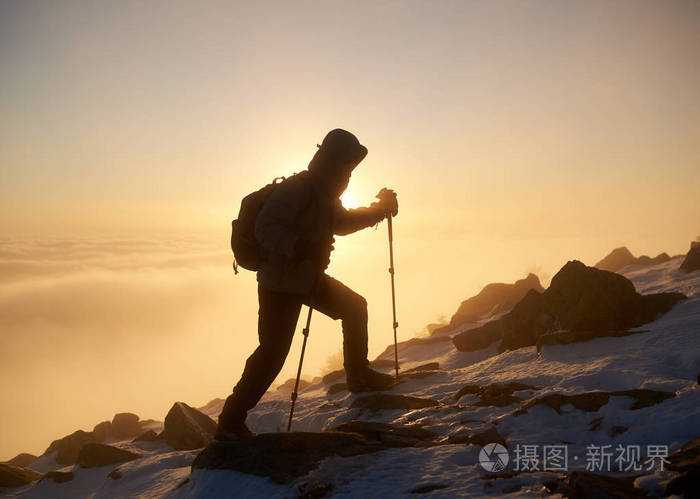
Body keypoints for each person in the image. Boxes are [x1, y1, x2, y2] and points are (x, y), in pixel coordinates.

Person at [215, 129, 399, 440]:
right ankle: (230, 421)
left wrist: (377, 211)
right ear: (334, 160)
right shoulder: (297, 189)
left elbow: (339, 224)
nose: (350, 170)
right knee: (273, 353)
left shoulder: (323, 191)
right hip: (279, 283)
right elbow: (266, 229)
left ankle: (359, 377)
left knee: (355, 308)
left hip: (305, 278)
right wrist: (301, 247)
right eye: (348, 163)